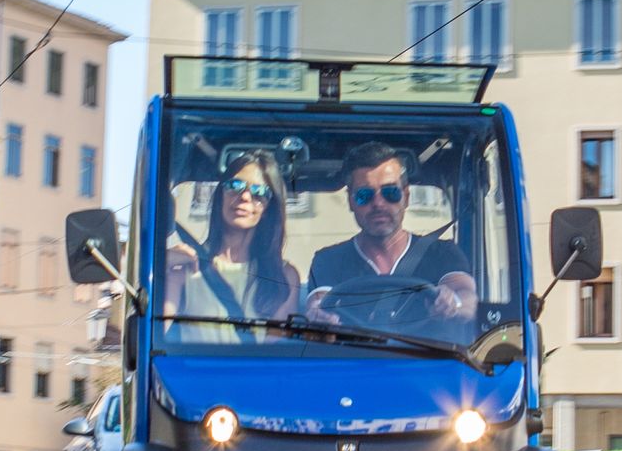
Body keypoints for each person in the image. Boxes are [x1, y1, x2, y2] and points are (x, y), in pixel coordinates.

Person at [306, 141, 476, 329]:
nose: (378, 203)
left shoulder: (442, 253)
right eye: (364, 195)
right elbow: (319, 302)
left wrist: (453, 302)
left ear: (406, 197)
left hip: (430, 358)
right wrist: (317, 313)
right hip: (354, 358)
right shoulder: (329, 260)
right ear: (350, 201)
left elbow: (466, 296)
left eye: (390, 192)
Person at [165, 151, 300, 339]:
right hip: (195, 369)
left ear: (269, 208)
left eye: (259, 192)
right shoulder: (185, 268)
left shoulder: (284, 277)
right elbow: (148, 338)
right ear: (221, 195)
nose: (245, 197)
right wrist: (162, 263)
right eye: (235, 186)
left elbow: (273, 357)